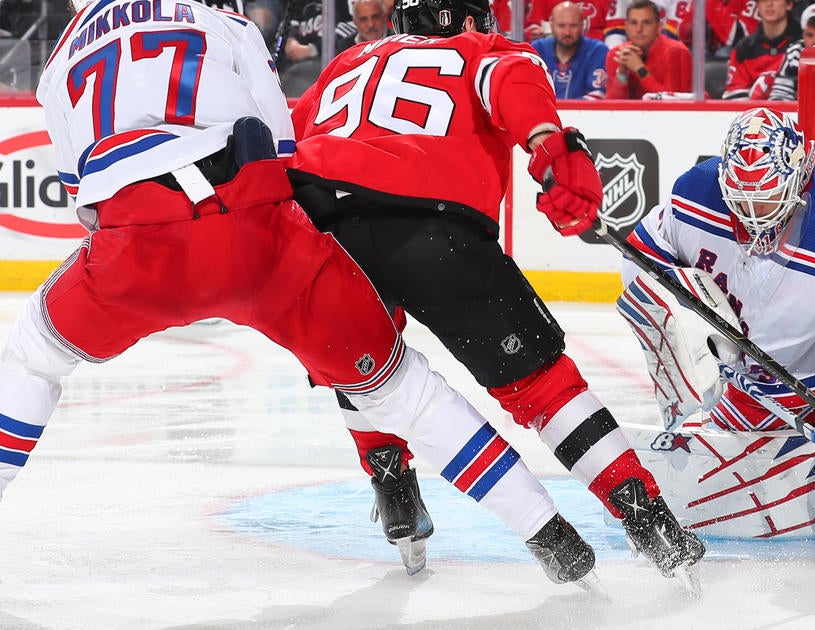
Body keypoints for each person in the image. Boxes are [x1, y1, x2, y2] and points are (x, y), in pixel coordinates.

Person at [8, 0, 597, 586]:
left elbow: (81, 193)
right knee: (394, 385)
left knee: (31, 358)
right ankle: (550, 535)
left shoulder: (59, 59)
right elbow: (280, 144)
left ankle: (394, 484)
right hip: (257, 236)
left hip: (137, 245)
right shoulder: (223, 21)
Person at [286, 0, 706, 581]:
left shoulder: (347, 62)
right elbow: (511, 81)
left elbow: (285, 140)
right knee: (541, 384)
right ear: (461, 21)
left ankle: (392, 486)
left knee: (363, 370)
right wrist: (550, 147)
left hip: (324, 233)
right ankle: (644, 516)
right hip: (435, 232)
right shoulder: (479, 49)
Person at [616, 107, 815, 545]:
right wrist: (699, 318)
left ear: (798, 180)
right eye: (742, 199)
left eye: (767, 198)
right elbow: (640, 260)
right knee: (700, 500)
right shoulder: (696, 194)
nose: (754, 214)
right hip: (745, 383)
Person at [605, 0, 693, 99]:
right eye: (633, 23)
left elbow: (672, 105)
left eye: (646, 23)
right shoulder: (617, 54)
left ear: (659, 27)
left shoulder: (676, 52)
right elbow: (612, 107)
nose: (639, 29)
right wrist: (622, 73)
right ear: (626, 27)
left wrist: (640, 69)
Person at [721, 0, 803, 99]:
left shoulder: (804, 43)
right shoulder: (744, 48)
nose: (769, 4)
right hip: (754, 112)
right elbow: (734, 95)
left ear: (789, 4)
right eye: (763, 0)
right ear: (757, 7)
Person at [532, 1, 610, 99]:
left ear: (583, 26)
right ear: (552, 26)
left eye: (573, 26)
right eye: (561, 26)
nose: (567, 32)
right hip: (543, 113)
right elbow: (527, 91)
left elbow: (597, 95)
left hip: (583, 114)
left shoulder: (598, 51)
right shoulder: (538, 49)